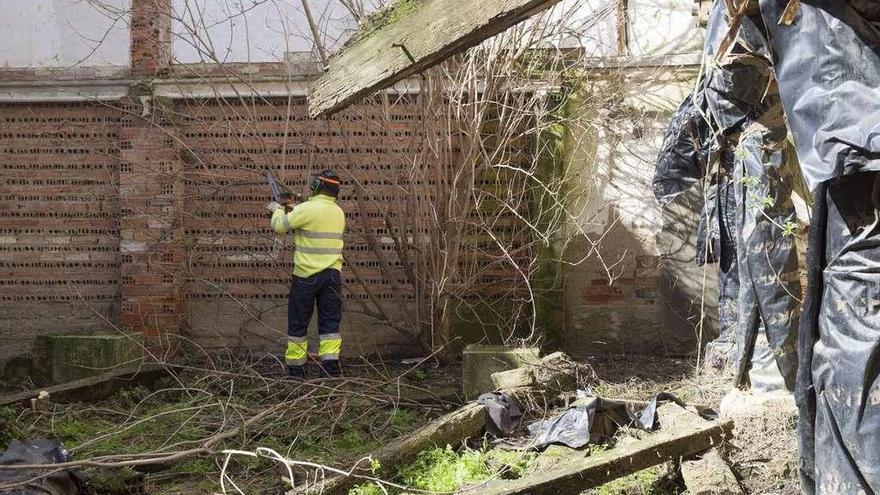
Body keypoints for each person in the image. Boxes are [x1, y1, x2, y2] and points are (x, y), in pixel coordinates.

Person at [267, 170, 345, 378]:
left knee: (298, 323)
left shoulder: (307, 209)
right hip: (332, 276)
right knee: (330, 325)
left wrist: (277, 209)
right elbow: (312, 218)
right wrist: (293, 206)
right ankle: (330, 371)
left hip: (305, 276)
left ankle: (296, 371)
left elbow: (279, 227)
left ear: (316, 186)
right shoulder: (338, 211)